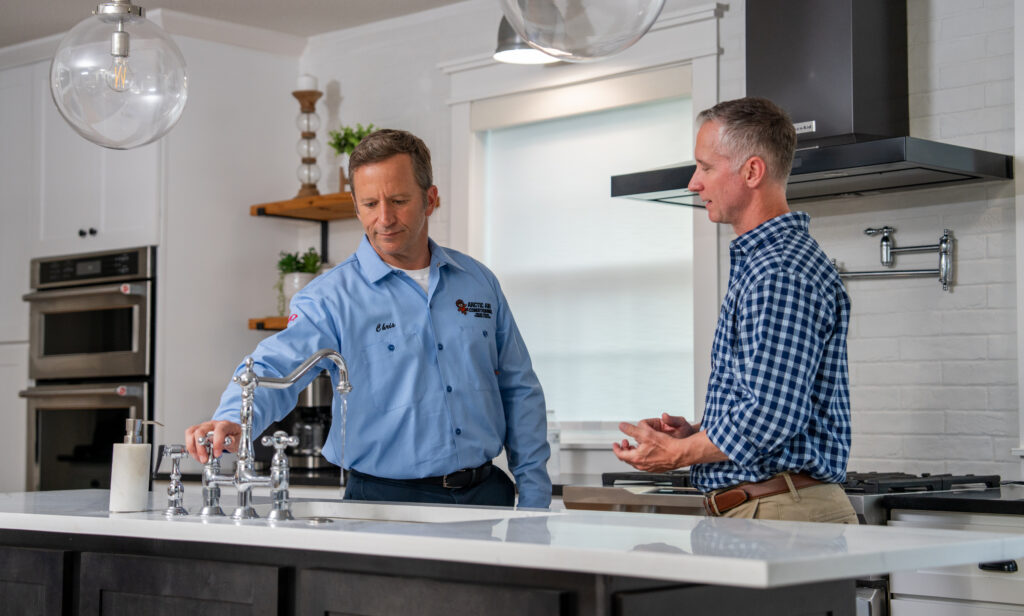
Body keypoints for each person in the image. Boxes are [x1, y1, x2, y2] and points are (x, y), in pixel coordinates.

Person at [185, 129, 551, 509]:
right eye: (371, 204)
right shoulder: (329, 297)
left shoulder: (478, 282)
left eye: (398, 200)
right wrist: (232, 418)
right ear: (356, 206)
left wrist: (535, 494)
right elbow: (275, 367)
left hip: (487, 496)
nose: (385, 218)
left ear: (431, 198)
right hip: (382, 502)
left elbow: (519, 389)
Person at [613, 97, 857, 523]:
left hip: (779, 515)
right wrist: (701, 434)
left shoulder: (779, 270)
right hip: (768, 508)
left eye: (706, 167)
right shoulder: (766, 264)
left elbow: (771, 413)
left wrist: (679, 452)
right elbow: (764, 403)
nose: (694, 183)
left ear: (751, 171)